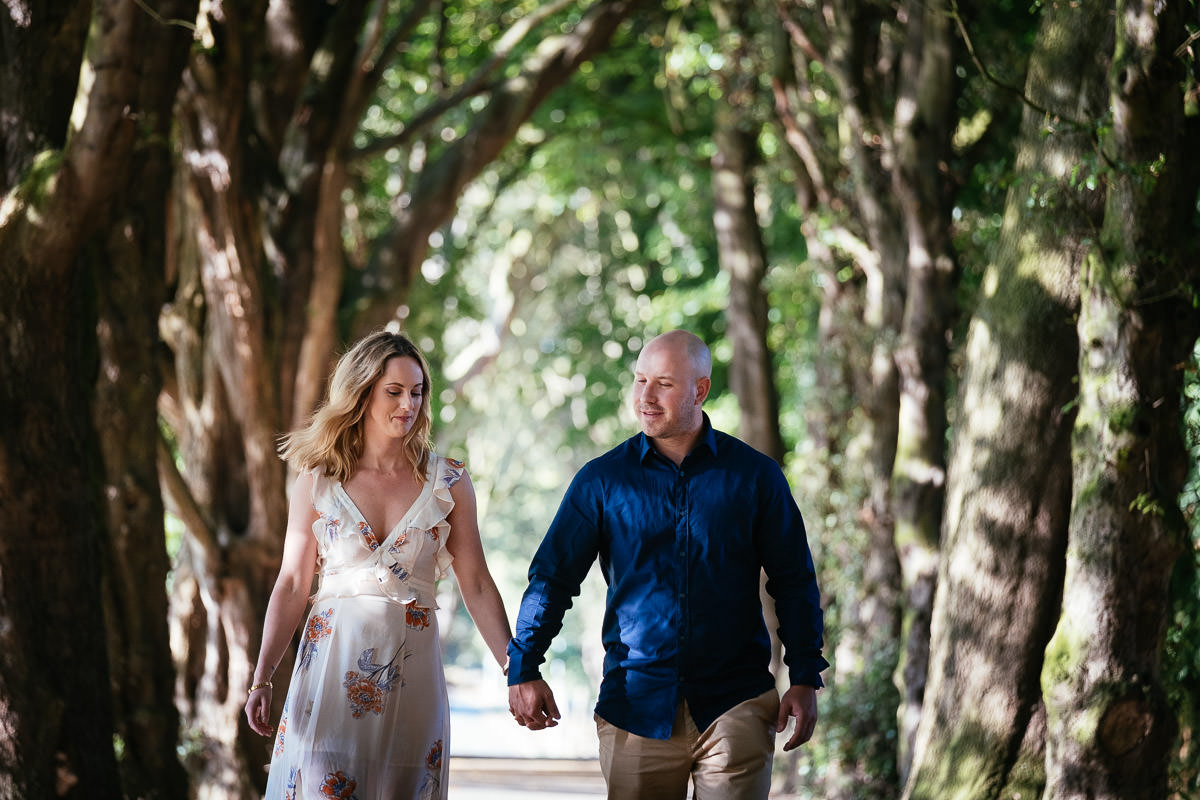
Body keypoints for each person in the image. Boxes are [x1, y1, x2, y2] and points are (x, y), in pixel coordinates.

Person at [506, 330, 828, 799]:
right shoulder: (601, 481)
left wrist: (803, 675)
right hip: (635, 707)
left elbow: (795, 580)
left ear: (700, 389)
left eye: (663, 384)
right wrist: (525, 666)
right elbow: (552, 579)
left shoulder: (756, 477)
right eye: (639, 381)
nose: (645, 397)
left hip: (734, 702)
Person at [245, 330, 512, 800]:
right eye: (394, 391)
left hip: (414, 681)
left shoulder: (449, 483)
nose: (408, 404)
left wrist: (518, 669)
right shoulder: (317, 482)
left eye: (417, 391)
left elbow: (477, 583)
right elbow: (291, 583)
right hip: (330, 672)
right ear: (362, 392)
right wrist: (262, 677)